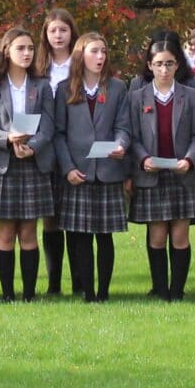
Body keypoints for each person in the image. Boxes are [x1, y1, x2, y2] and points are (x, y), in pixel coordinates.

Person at [0, 25, 56, 302]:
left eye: (30, 48)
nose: (26, 53)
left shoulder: (42, 85)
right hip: (3, 165)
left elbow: (48, 127)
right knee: (6, 232)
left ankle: (29, 295)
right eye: (20, 48)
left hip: (33, 164)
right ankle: (8, 294)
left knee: (29, 232)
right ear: (6, 51)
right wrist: (8, 138)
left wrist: (32, 148)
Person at [55, 32, 131, 302]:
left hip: (108, 171)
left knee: (104, 236)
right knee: (81, 238)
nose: (100, 57)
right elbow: (59, 134)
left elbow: (123, 126)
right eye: (94, 52)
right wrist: (67, 169)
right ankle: (87, 293)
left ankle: (104, 292)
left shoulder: (118, 87)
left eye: (104, 52)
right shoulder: (65, 89)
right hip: (78, 172)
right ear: (81, 55)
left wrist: (121, 145)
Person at [129, 36, 195, 301]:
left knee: (180, 235)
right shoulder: (137, 97)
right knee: (158, 235)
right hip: (152, 174)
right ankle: (160, 288)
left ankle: (178, 290)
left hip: (181, 174)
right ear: (150, 65)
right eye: (159, 64)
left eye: (169, 64)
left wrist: (190, 160)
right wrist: (142, 159)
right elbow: (133, 137)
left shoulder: (191, 96)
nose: (164, 70)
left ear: (177, 66)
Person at [37, 8, 78, 295]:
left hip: (73, 148)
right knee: (50, 216)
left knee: (74, 215)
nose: (58, 35)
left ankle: (79, 280)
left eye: (63, 30)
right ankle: (53, 282)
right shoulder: (39, 66)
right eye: (53, 30)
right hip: (43, 148)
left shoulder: (80, 63)